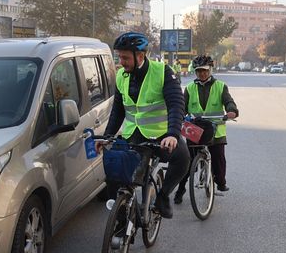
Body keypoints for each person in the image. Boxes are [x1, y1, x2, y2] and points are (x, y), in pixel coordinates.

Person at [96, 32, 190, 219]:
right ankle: (121, 215)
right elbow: (118, 111)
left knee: (183, 158)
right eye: (119, 57)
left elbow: (176, 105)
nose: (121, 62)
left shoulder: (163, 72)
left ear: (140, 56)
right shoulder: (122, 76)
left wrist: (172, 133)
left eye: (125, 57)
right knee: (115, 168)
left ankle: (163, 196)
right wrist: (107, 136)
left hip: (161, 137)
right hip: (133, 135)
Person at [174, 55, 239, 204]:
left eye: (204, 70)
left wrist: (232, 111)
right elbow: (182, 107)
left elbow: (229, 102)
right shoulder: (190, 88)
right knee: (187, 162)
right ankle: (180, 189)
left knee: (218, 158)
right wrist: (179, 117)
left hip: (215, 130)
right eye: (198, 71)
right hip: (195, 129)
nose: (201, 74)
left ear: (210, 69)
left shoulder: (220, 86)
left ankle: (221, 183)